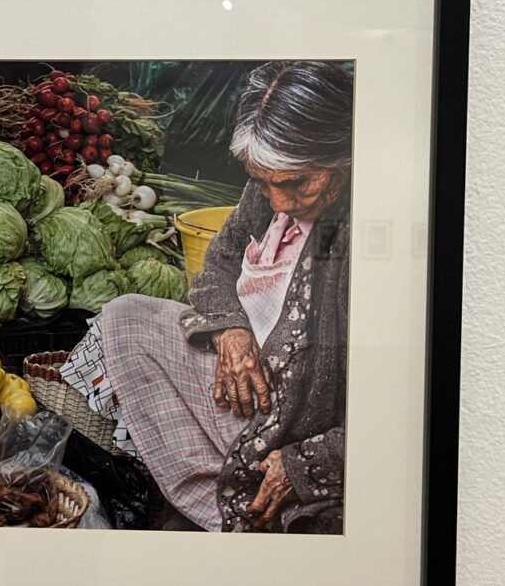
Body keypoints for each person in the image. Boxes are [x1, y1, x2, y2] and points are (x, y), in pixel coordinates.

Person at [62, 61, 352, 533]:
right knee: (127, 316)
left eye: (295, 183)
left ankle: (244, 494)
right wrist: (230, 331)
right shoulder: (268, 190)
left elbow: (395, 410)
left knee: (311, 512)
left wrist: (304, 463)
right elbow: (218, 262)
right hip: (252, 387)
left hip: (307, 426)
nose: (279, 201)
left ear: (342, 159)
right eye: (264, 182)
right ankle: (215, 490)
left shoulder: (364, 230)